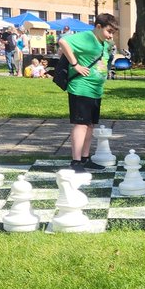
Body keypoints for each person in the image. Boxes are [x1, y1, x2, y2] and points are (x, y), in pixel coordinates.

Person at [58, 13, 119, 174]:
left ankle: (85, 158)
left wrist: (109, 42)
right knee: (81, 124)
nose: (111, 35)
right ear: (98, 27)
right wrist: (75, 64)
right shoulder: (86, 37)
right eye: (109, 31)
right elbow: (63, 42)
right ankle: (76, 161)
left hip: (95, 90)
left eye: (113, 32)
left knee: (90, 125)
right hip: (81, 88)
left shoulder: (103, 43)